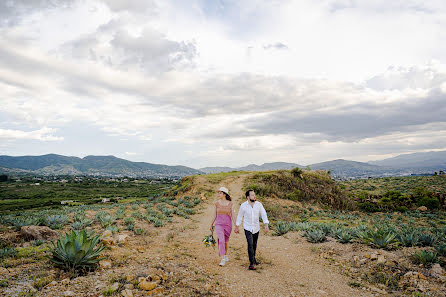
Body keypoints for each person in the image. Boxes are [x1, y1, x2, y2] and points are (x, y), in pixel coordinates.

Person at [235, 189, 269, 270]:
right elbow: (240, 216)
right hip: (247, 227)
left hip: (256, 228)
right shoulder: (243, 205)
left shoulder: (259, 204)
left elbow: (264, 214)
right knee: (250, 244)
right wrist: (237, 226)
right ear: (248, 197)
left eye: (254, 194)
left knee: (254, 244)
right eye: (252, 195)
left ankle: (254, 259)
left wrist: (266, 224)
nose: (254, 196)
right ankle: (251, 263)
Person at [210, 186, 237, 266]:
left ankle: (225, 255)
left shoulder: (231, 204)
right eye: (218, 193)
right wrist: (211, 224)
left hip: (228, 225)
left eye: (220, 193)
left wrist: (236, 226)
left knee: (226, 242)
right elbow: (214, 215)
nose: (218, 194)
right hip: (218, 224)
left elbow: (233, 216)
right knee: (221, 240)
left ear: (224, 194)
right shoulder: (216, 204)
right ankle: (222, 259)